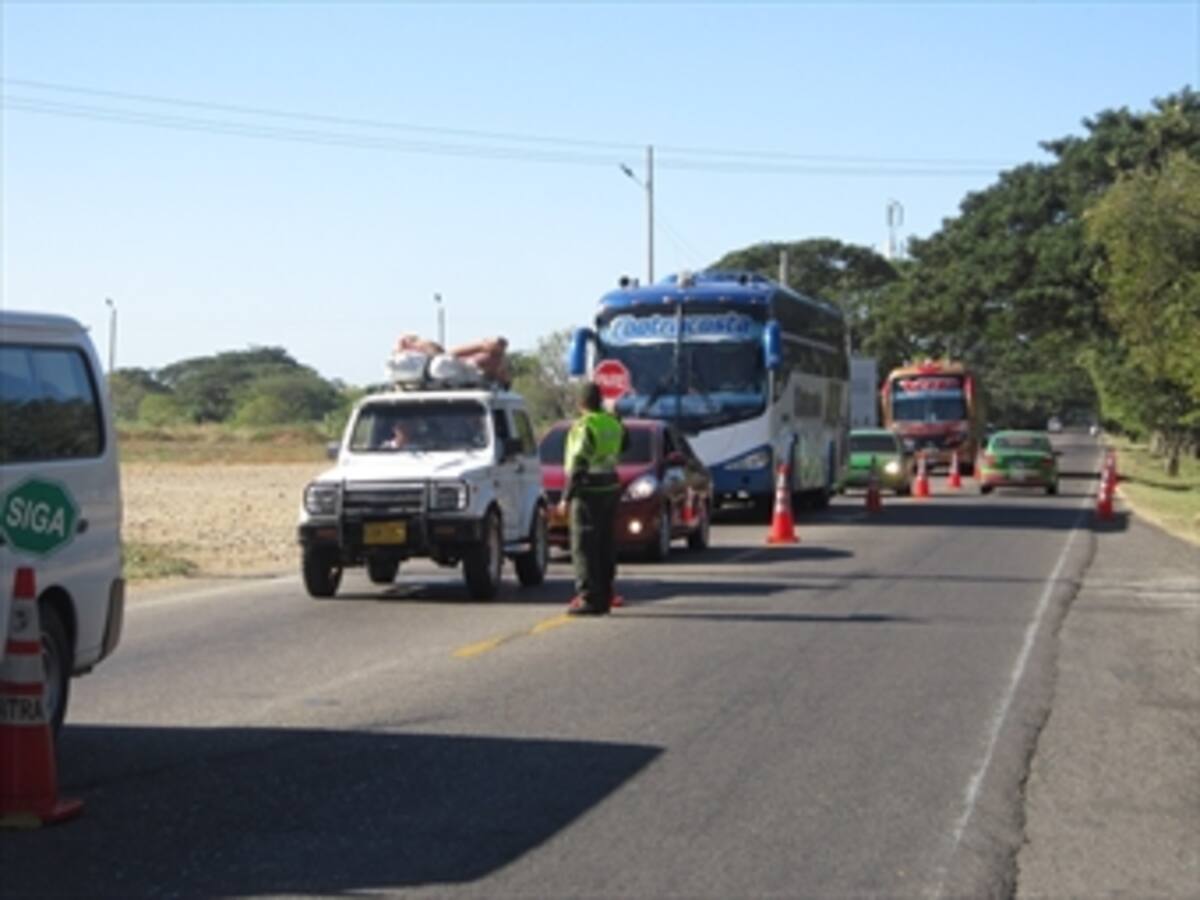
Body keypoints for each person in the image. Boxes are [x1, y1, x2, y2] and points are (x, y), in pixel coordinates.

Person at [557, 381, 626, 616]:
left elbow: (578, 463)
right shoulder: (612, 423)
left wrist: (566, 497)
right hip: (610, 488)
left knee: (584, 547)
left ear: (580, 403)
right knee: (605, 545)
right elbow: (626, 445)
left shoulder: (584, 426)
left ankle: (589, 598)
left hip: (588, 493)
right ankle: (606, 595)